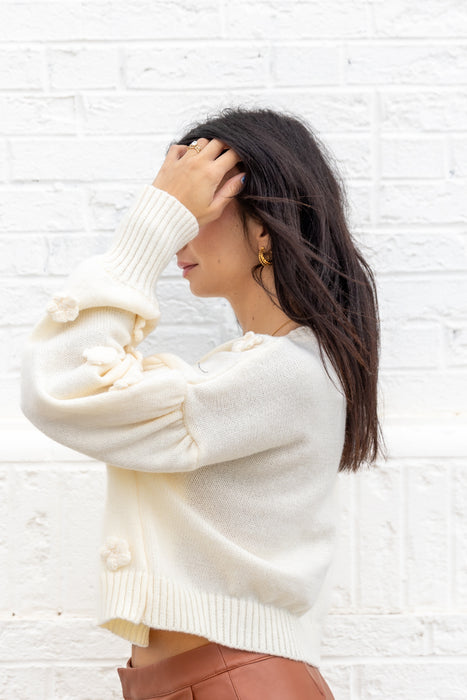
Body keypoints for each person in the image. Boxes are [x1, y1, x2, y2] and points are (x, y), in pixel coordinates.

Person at [20, 107, 385, 699]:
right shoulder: (261, 367)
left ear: (263, 228)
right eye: (179, 214)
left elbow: (64, 386)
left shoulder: (282, 371)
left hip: (235, 683)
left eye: (198, 211)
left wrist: (149, 229)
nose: (178, 238)